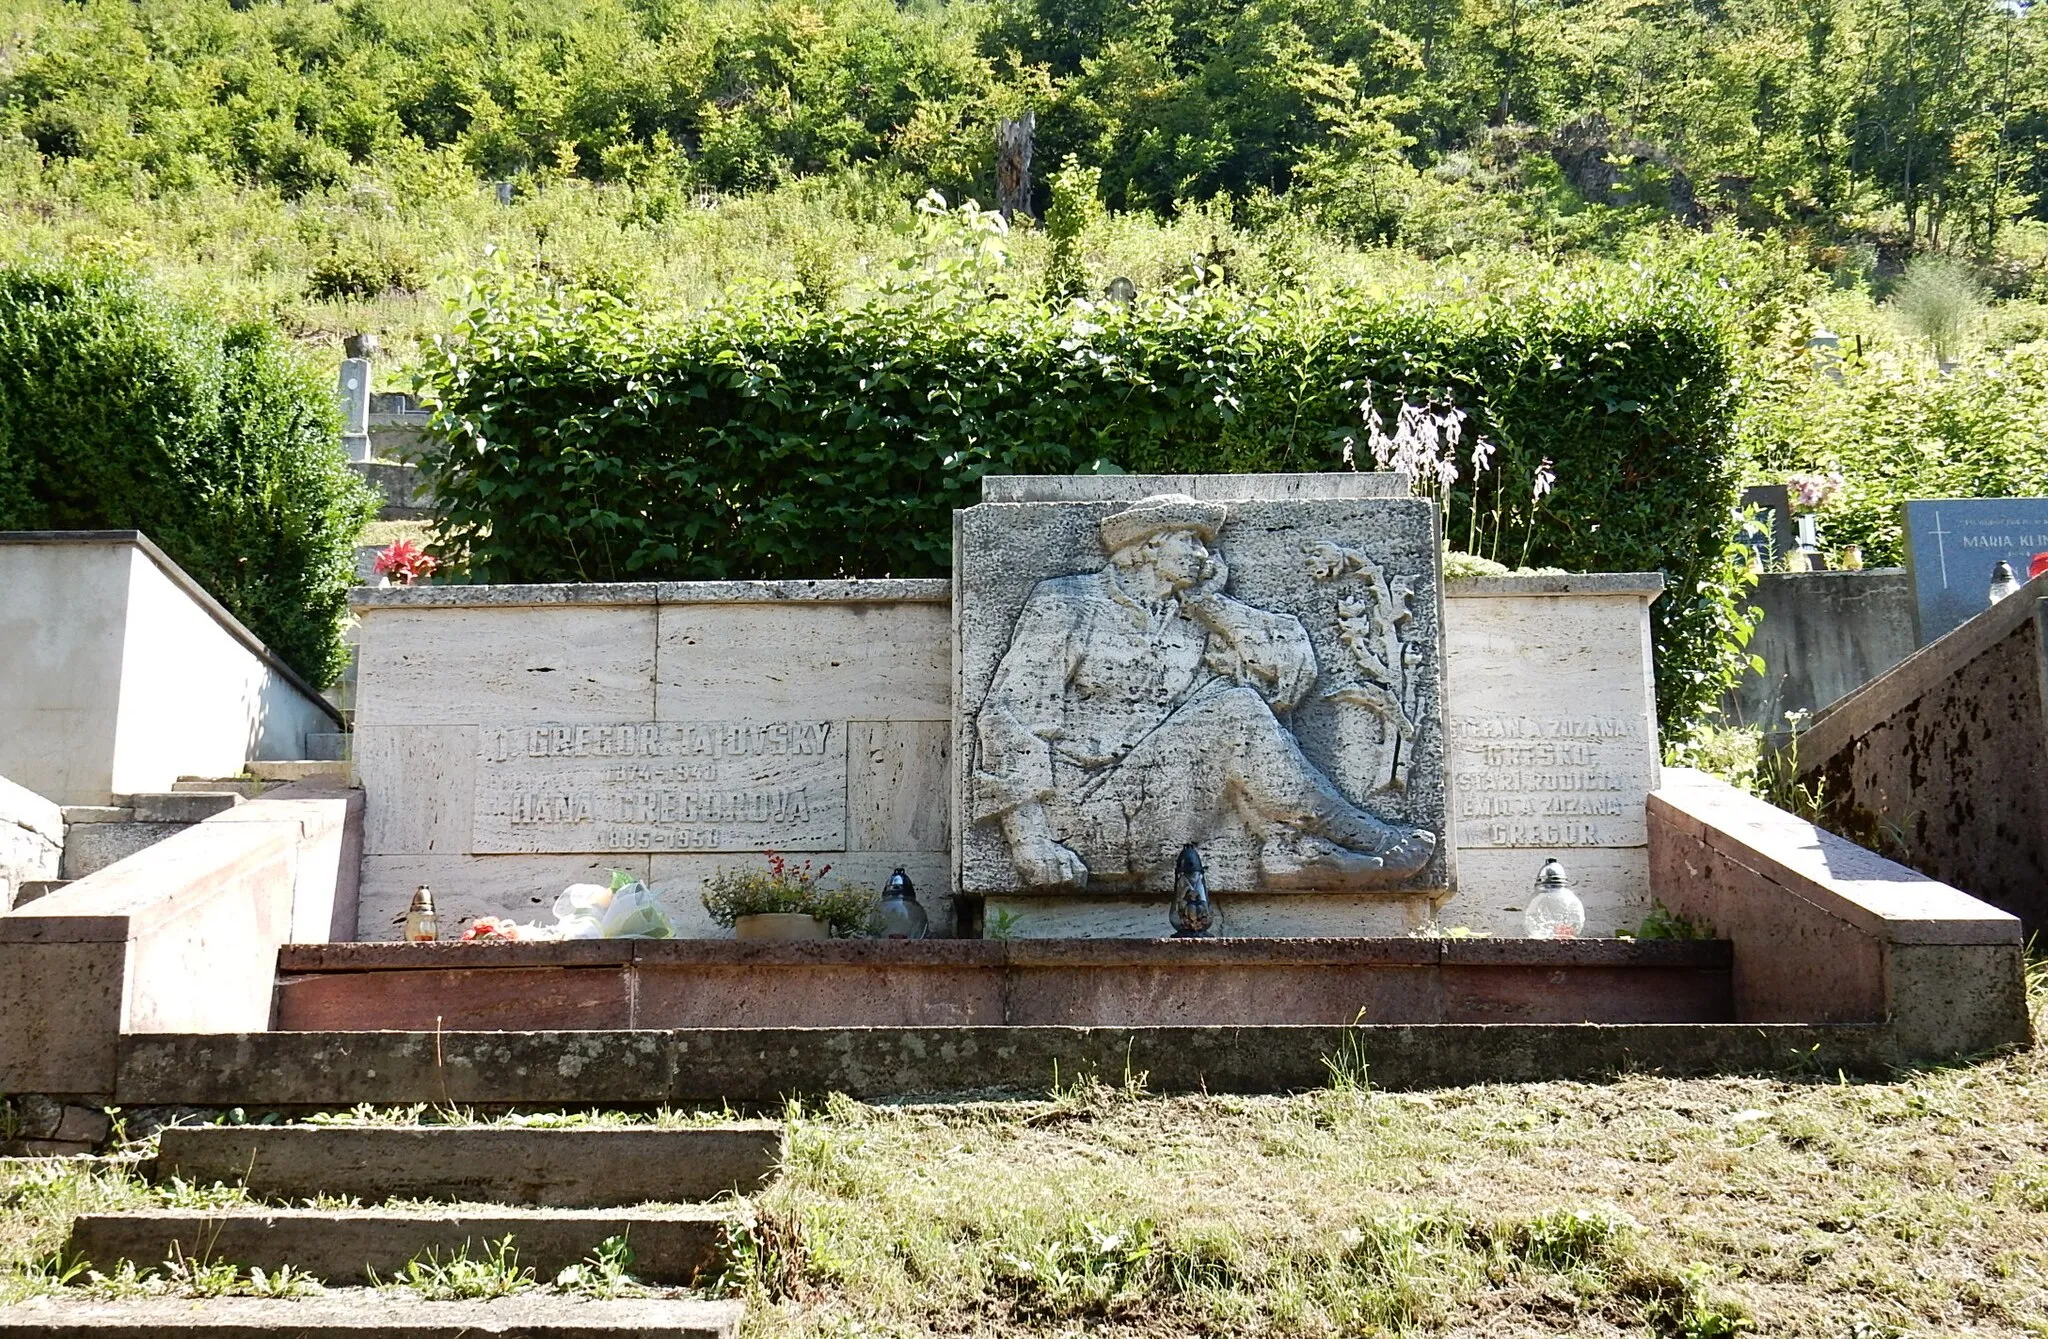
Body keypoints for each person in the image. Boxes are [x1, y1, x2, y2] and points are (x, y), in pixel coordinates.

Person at [972, 494, 1436, 889]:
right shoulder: (1068, 603)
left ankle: (1292, 848)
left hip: (1163, 807)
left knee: (1238, 699)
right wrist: (1030, 842)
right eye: (1189, 539)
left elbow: (1288, 675)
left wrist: (1210, 603)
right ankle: (1362, 836)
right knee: (1234, 711)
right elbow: (1010, 717)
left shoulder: (1193, 616)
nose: (1205, 555)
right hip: (1084, 817)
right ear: (1147, 546)